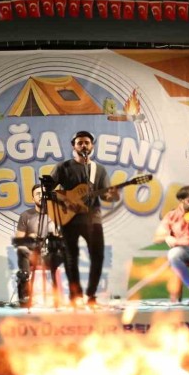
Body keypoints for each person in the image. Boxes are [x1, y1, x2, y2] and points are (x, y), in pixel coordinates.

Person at [50, 130, 120, 307]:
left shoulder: (98, 170)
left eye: (87, 142)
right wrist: (66, 200)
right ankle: (75, 296)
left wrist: (112, 195)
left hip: (93, 218)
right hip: (68, 219)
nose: (83, 145)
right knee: (70, 257)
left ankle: (91, 295)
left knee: (98, 255)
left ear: (92, 146)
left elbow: (105, 196)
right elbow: (47, 191)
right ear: (73, 146)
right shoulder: (63, 167)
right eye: (80, 142)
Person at [14, 183, 64, 307]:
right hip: (33, 255)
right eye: (38, 194)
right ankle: (25, 293)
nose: (41, 196)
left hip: (51, 255)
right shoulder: (26, 216)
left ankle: (64, 296)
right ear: (33, 199)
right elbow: (18, 240)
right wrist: (30, 238)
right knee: (21, 249)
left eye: (44, 194)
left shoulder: (56, 214)